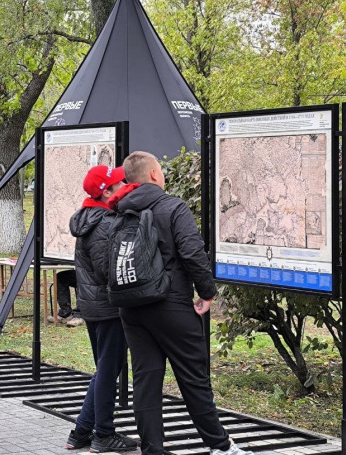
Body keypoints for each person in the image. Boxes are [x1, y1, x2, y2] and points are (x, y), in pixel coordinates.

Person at [108, 151, 253, 455]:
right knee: (194, 378)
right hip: (170, 303)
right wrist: (207, 292)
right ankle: (221, 446)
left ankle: (153, 449)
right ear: (154, 174)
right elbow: (192, 252)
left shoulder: (120, 212)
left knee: (146, 380)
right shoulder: (173, 207)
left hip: (131, 308)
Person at [64, 165, 138, 452]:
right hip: (108, 307)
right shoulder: (105, 223)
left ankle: (81, 432)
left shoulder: (91, 218)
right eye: (120, 183)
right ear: (107, 192)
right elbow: (110, 271)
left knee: (105, 368)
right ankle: (103, 434)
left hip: (95, 305)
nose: (126, 186)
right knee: (108, 371)